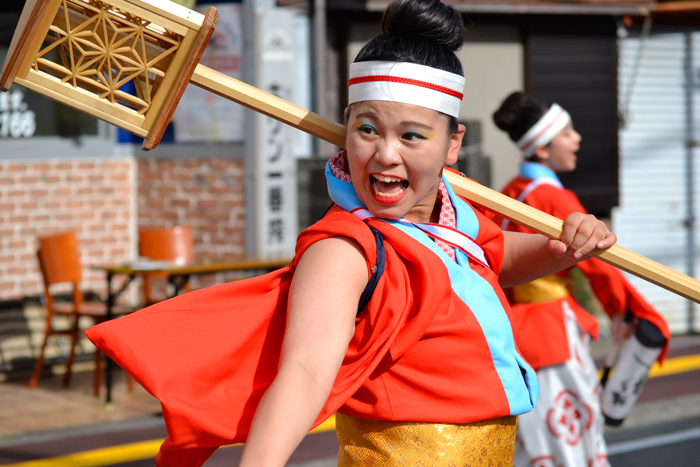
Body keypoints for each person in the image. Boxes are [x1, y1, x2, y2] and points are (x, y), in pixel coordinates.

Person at [87, 3, 618, 466]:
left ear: (453, 145)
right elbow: (304, 370)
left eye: (412, 135)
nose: (386, 153)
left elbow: (495, 258)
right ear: (346, 128)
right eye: (367, 128)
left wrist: (563, 245)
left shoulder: (453, 212)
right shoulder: (344, 248)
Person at [491, 91, 670, 467]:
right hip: (553, 333)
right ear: (541, 149)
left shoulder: (506, 193)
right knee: (571, 444)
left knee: (530, 443)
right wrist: (638, 312)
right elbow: (599, 262)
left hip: (510, 335)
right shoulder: (554, 198)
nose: (578, 139)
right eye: (567, 132)